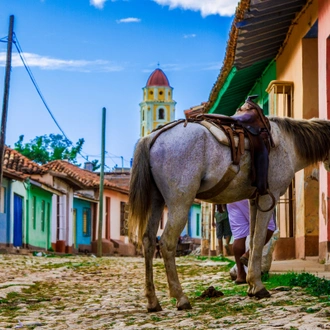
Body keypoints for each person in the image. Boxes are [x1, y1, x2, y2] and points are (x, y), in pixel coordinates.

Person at [227, 199, 275, 284]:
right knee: (269, 227)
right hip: (249, 196)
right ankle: (248, 254)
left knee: (239, 236)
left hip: (231, 199)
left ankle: (240, 275)